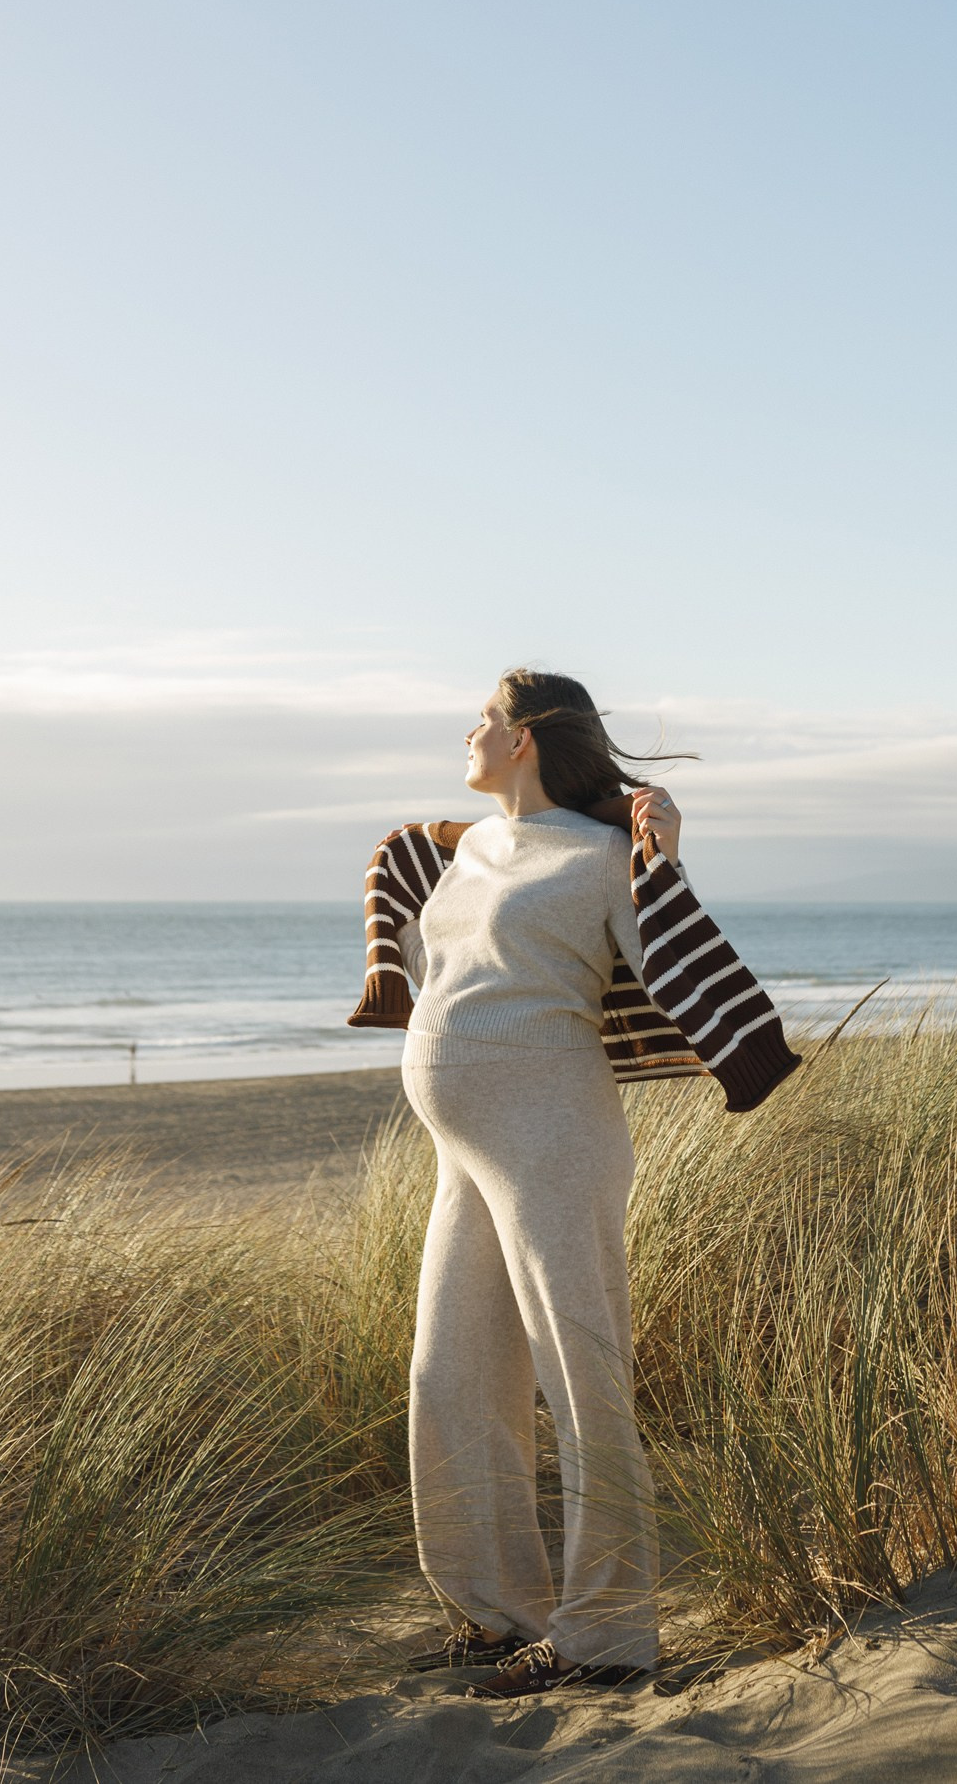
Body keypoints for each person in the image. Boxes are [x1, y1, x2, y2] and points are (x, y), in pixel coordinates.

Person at [351, 667, 795, 1701]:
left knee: (580, 1381)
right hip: (464, 1151)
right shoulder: (464, 848)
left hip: (552, 1135)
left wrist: (661, 854)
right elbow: (417, 904)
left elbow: (669, 954)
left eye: (483, 719)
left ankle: (604, 1632)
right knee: (451, 1376)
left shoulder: (601, 862)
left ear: (525, 738)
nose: (467, 732)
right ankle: (495, 1611)